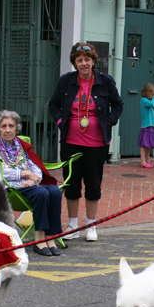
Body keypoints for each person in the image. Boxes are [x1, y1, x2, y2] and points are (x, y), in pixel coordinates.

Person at [49, 42, 124, 242]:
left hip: (96, 143)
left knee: (93, 185)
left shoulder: (104, 81)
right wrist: (59, 121)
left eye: (87, 59)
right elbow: (54, 104)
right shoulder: (66, 81)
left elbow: (118, 104)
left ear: (93, 61)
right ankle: (72, 224)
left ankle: (91, 224)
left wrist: (108, 122)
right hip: (71, 142)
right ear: (74, 62)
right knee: (72, 184)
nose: (84, 63)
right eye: (80, 60)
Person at [0, 110, 63, 256]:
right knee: (41, 193)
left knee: (54, 190)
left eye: (11, 126)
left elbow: (35, 165)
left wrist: (32, 179)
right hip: (11, 189)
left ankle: (51, 237)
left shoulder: (21, 146)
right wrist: (24, 174)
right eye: (4, 126)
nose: (8, 130)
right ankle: (39, 239)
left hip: (29, 186)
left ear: (17, 128)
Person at [139, 83, 154, 169]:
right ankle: (142, 161)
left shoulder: (150, 101)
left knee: (149, 145)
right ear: (147, 93)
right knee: (144, 144)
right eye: (152, 94)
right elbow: (151, 104)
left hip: (151, 125)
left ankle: (148, 160)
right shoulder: (144, 100)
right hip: (146, 126)